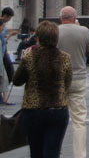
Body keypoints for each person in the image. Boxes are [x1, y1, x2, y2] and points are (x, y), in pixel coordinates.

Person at [13, 20, 72, 157]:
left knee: (36, 151)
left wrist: (23, 59)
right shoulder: (65, 57)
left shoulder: (29, 57)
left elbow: (17, 81)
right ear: (56, 38)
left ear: (38, 38)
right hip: (58, 109)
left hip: (33, 110)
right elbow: (67, 83)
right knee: (53, 151)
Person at [57, 6, 89, 158]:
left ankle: (56, 151)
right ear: (74, 17)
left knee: (57, 118)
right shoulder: (84, 31)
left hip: (59, 79)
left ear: (61, 18)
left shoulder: (56, 31)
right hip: (78, 77)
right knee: (79, 120)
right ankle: (80, 155)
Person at [1, 6, 18, 105]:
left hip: (3, 52)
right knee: (7, 74)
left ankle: (3, 97)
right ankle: (4, 98)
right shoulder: (1, 24)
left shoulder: (3, 24)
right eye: (10, 17)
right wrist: (11, 35)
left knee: (7, 74)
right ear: (6, 16)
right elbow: (2, 41)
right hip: (2, 53)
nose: (9, 19)